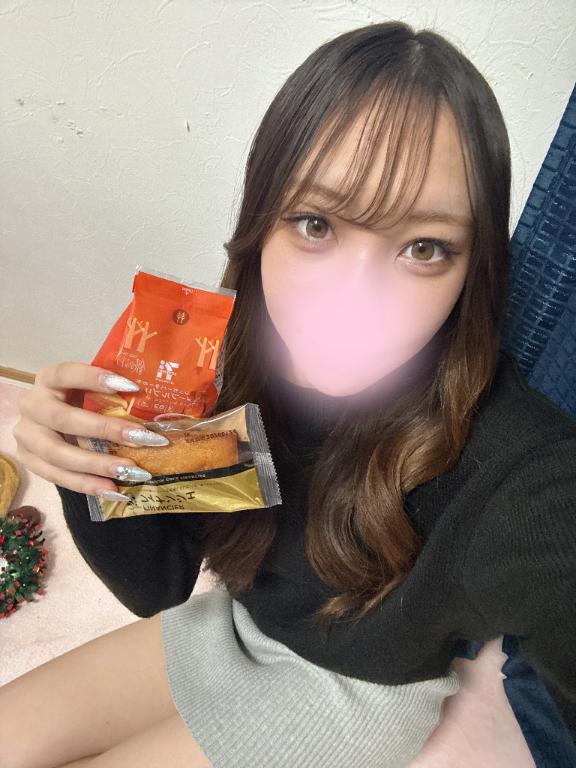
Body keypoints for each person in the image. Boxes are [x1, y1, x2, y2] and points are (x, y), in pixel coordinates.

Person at [2, 19, 575, 768]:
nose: (354, 301)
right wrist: (85, 462)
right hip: (231, 627)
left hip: (352, 693)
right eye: (316, 224)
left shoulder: (521, 475)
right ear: (261, 223)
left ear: (473, 268)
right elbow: (158, 585)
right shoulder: (220, 357)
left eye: (423, 247)